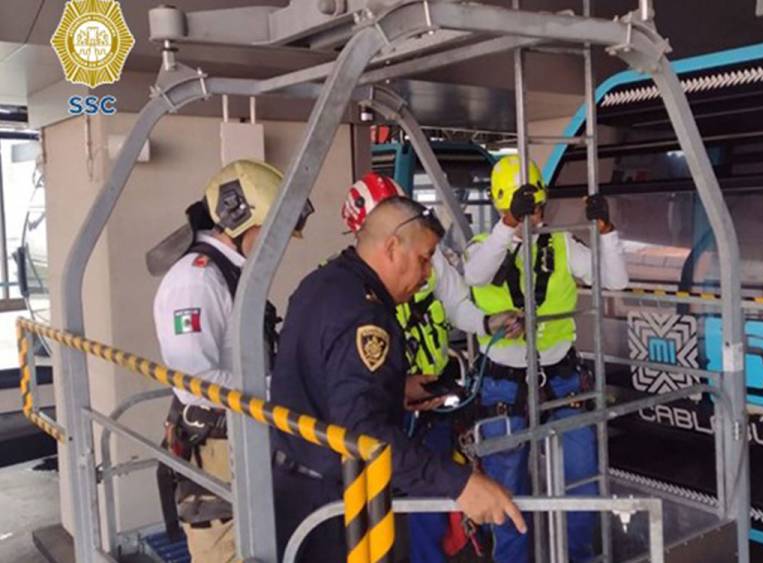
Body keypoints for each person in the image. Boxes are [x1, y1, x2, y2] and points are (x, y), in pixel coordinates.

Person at [270, 195, 526, 562]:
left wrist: (392, 389)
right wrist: (460, 483)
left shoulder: (322, 284)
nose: (426, 276)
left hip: (294, 486)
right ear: (391, 247)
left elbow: (319, 375)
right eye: (424, 260)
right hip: (333, 501)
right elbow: (363, 433)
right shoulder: (365, 313)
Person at [340, 172, 523, 562]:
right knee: (378, 511)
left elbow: (457, 306)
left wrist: (489, 323)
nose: (421, 266)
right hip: (387, 409)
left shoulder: (431, 256)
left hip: (433, 400)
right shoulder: (350, 286)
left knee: (431, 509)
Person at [463, 155, 629, 563]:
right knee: (506, 489)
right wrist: (507, 229)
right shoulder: (483, 249)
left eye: (536, 206)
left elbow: (616, 280)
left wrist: (606, 233)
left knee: (582, 479)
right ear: (503, 207)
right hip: (504, 382)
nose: (534, 215)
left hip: (562, 377)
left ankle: (578, 556)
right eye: (524, 207)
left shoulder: (559, 244)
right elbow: (475, 276)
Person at [151, 159, 313, 563]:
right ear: (241, 222)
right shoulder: (196, 279)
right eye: (271, 233)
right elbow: (195, 381)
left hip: (246, 438)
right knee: (226, 553)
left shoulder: (233, 273)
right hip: (218, 451)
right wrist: (281, 389)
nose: (276, 246)